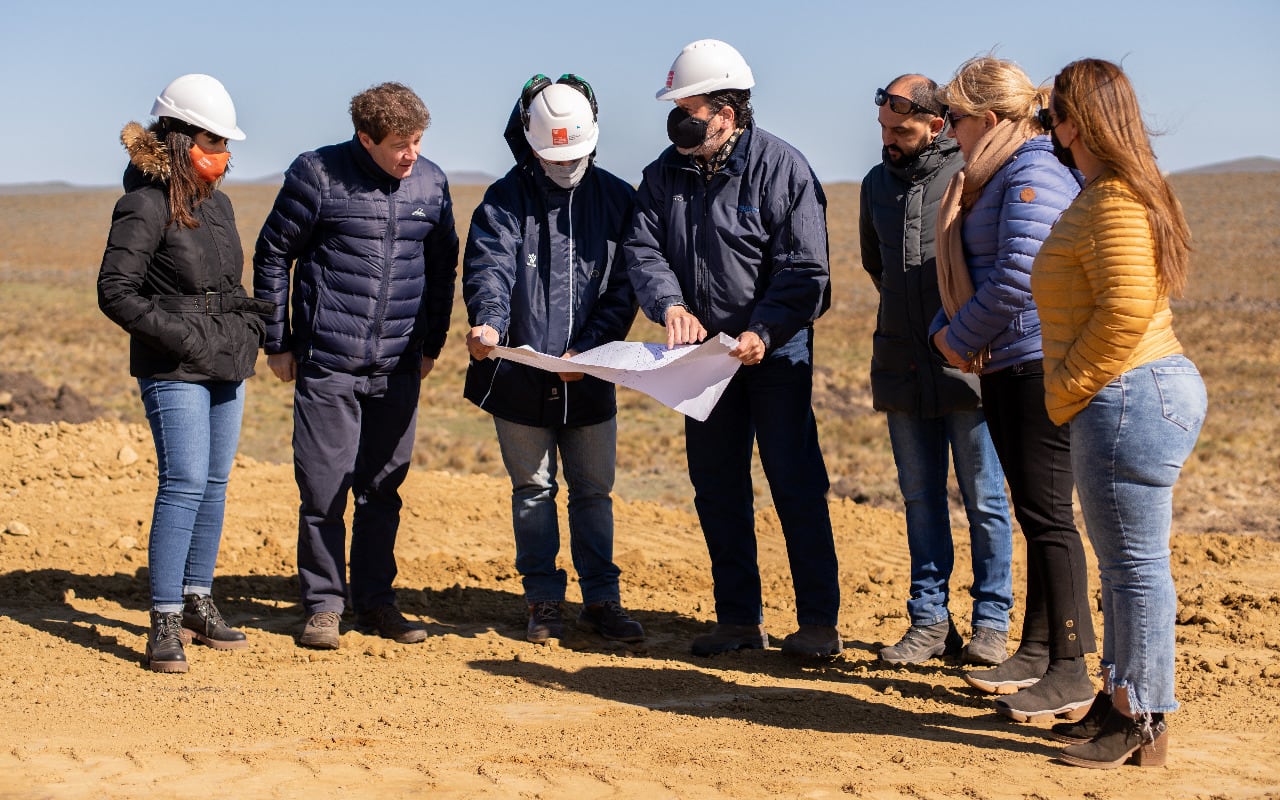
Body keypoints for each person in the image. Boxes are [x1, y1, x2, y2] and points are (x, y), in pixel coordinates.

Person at [625, 39, 841, 659]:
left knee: (794, 482)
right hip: (705, 361)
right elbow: (644, 249)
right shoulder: (663, 172)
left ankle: (819, 626)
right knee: (716, 485)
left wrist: (765, 331)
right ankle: (739, 621)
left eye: (690, 108)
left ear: (727, 111)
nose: (679, 121)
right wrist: (668, 304)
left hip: (774, 355)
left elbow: (805, 271)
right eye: (676, 107)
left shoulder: (783, 168)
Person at [1031, 58, 1206, 769]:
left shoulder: (1111, 200)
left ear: (1078, 121)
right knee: (1126, 567)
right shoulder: (1111, 191)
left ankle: (1140, 713)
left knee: (1134, 569)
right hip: (1136, 391)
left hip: (1128, 393)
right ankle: (1126, 699)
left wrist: (1069, 383)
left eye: (1053, 116)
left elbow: (1127, 309)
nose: (1048, 130)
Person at [253, 82, 459, 649]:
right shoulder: (317, 174)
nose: (410, 154)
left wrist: (431, 344)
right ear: (365, 138)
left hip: (397, 366)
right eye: (398, 144)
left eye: (417, 141)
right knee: (323, 491)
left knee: (382, 489)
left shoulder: (431, 182)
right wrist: (278, 340)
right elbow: (273, 252)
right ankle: (323, 605)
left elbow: (444, 267)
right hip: (329, 365)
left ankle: (376, 603)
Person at [930, 55, 1096, 721]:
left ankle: (1072, 668)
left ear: (990, 119)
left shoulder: (1030, 172)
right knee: (1037, 513)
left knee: (1051, 517)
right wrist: (962, 332)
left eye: (957, 118)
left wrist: (953, 336)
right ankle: (1035, 652)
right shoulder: (1000, 172)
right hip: (1007, 359)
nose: (949, 130)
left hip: (1032, 361)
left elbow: (1021, 275)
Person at [463, 74, 643, 645]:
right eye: (553, 157)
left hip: (590, 377)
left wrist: (587, 351)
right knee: (533, 491)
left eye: (575, 155)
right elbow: (488, 267)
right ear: (530, 143)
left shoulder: (617, 200)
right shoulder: (504, 200)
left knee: (593, 490)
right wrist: (489, 321)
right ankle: (542, 600)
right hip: (518, 375)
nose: (566, 166)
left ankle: (602, 601)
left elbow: (624, 286)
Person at [98, 74, 266, 672]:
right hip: (173, 366)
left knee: (215, 486)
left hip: (225, 360)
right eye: (213, 140)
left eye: (225, 142)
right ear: (177, 138)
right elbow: (114, 291)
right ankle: (164, 618)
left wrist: (251, 324)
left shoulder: (216, 204)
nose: (223, 153)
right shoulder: (142, 203)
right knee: (185, 482)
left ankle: (199, 599)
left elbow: (225, 285)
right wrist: (184, 336)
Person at [860, 75, 1015, 667]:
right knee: (920, 500)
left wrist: (955, 328)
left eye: (901, 130)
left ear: (937, 125)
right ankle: (928, 623)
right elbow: (878, 266)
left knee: (985, 500)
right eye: (883, 129)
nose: (888, 140)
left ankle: (992, 623)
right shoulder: (875, 185)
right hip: (901, 364)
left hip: (968, 365)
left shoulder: (971, 176)